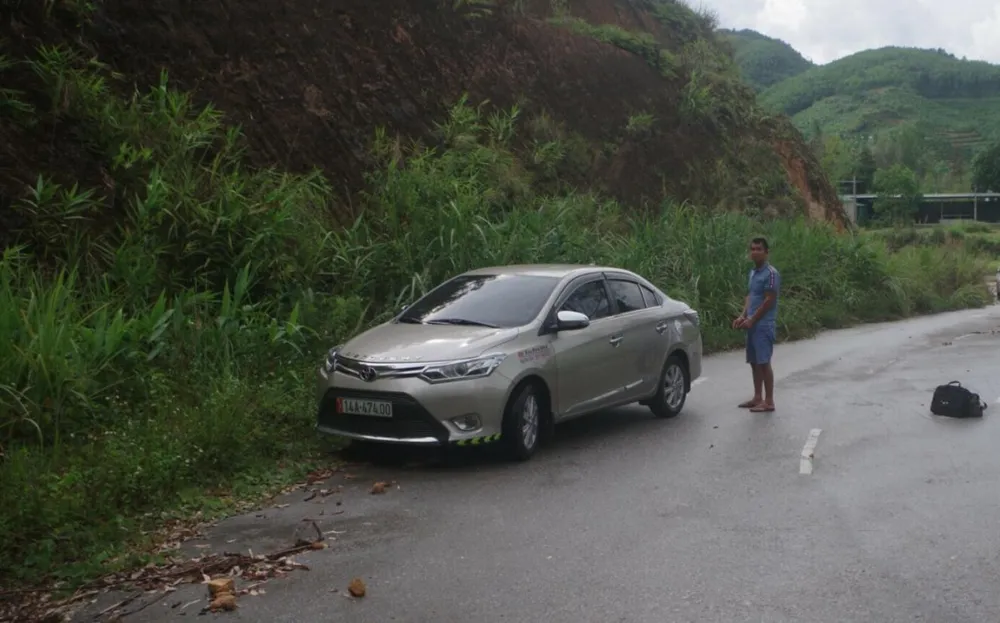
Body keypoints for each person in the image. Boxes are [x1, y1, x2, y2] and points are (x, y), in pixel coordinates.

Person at [731, 236, 780, 413]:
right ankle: (757, 397)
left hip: (763, 324)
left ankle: (769, 401)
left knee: (763, 361)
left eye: (759, 249)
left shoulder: (771, 274)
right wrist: (743, 315)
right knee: (754, 361)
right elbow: (750, 296)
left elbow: (769, 301)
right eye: (752, 249)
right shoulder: (753, 273)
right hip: (751, 324)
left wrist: (753, 319)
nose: (755, 252)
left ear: (766, 252)